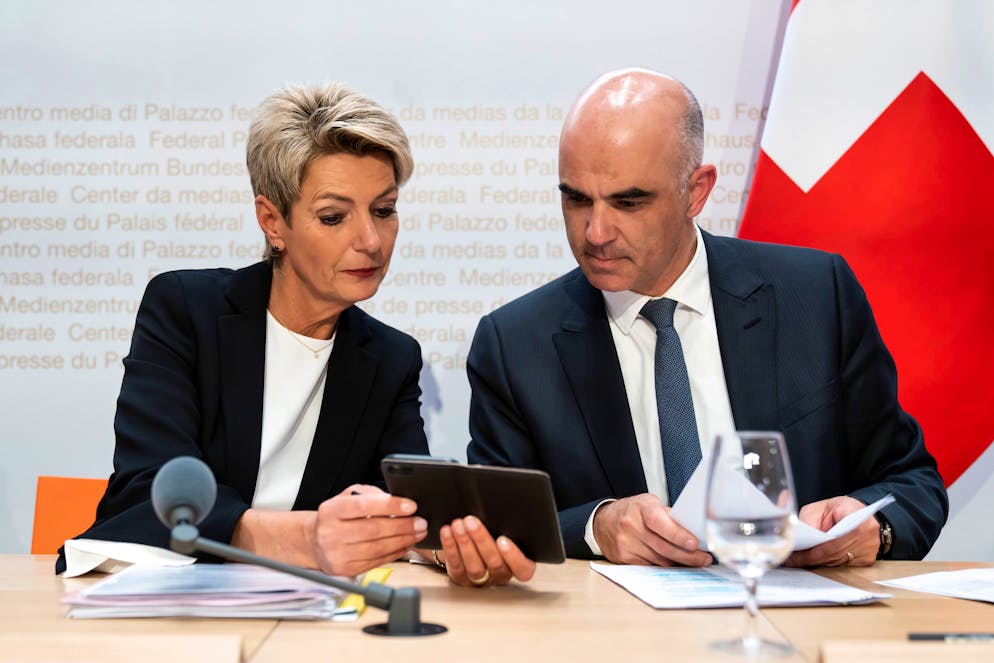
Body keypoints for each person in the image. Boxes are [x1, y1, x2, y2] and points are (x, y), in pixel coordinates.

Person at [57, 82, 534, 587]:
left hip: (307, 618)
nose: (370, 241)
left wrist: (450, 546)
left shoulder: (391, 358)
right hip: (164, 606)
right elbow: (151, 492)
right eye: (334, 217)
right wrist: (307, 539)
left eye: (384, 210)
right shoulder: (184, 311)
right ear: (272, 222)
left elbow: (404, 504)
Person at [466, 68, 948, 568]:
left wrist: (872, 526)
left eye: (629, 202)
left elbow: (912, 482)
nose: (596, 232)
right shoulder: (515, 345)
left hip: (799, 628)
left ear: (696, 191)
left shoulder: (815, 296)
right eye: (576, 199)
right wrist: (594, 527)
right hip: (618, 638)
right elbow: (497, 527)